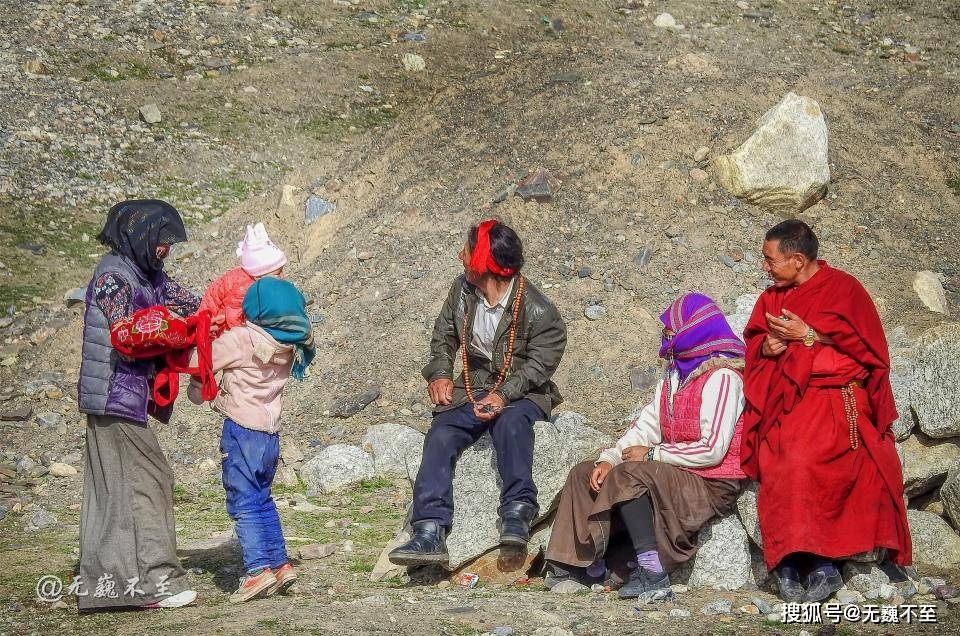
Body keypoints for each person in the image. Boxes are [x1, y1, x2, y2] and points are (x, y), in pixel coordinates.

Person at [741, 219, 911, 603]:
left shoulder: (844, 290)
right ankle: (787, 559)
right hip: (785, 402)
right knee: (779, 461)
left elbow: (868, 355)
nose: (764, 268)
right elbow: (753, 345)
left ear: (798, 260)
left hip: (836, 401)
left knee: (810, 460)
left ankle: (822, 561)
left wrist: (807, 336)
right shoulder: (771, 298)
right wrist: (766, 349)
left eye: (770, 260)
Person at [544, 293, 748, 598]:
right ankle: (573, 564)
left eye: (671, 331)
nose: (665, 336)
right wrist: (610, 459)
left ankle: (651, 569)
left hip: (711, 481)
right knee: (585, 472)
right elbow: (648, 424)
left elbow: (713, 448)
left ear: (692, 331)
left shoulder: (723, 377)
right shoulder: (674, 372)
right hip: (676, 470)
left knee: (631, 475)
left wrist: (654, 454)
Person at [388, 219, 567, 566]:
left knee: (511, 424)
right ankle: (428, 531)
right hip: (474, 386)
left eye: (467, 250)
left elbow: (539, 366)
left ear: (482, 262)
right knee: (441, 433)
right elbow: (443, 336)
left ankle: (517, 511)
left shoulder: (541, 312)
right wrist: (440, 374)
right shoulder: (463, 292)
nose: (460, 255)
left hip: (522, 390)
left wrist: (503, 395)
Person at [77, 199, 200, 610]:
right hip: (114, 392)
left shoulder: (149, 275)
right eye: (162, 241)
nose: (166, 249)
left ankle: (111, 587)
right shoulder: (113, 277)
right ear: (140, 235)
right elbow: (125, 330)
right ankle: (158, 580)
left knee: (117, 489)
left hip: (126, 393)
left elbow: (194, 307)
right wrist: (169, 329)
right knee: (149, 479)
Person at [188, 277, 316, 603]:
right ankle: (280, 563)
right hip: (269, 436)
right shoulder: (287, 347)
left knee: (243, 502)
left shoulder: (241, 339)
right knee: (262, 499)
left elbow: (199, 362)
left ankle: (257, 571)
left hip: (242, 432)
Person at [199, 222, 287, 337]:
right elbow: (233, 315)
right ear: (258, 275)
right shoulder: (244, 289)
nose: (283, 276)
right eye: (278, 273)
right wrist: (244, 333)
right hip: (214, 324)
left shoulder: (255, 280)